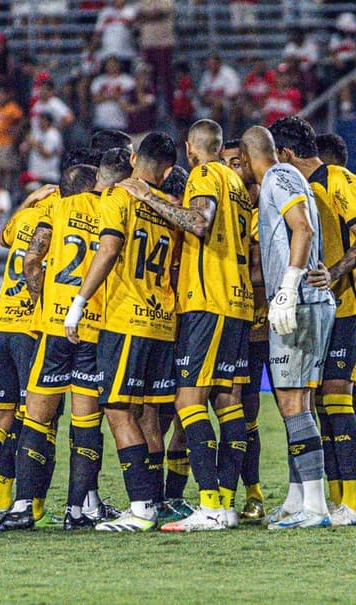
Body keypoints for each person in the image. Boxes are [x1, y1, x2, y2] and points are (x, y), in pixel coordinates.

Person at [116, 120, 254, 532]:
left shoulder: (206, 175)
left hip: (207, 300)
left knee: (188, 402)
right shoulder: (239, 185)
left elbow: (199, 222)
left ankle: (210, 504)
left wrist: (147, 196)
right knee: (229, 402)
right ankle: (226, 503)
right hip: (239, 303)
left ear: (192, 150)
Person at [0, 151, 132, 532]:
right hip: (92, 327)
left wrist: (43, 298)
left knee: (37, 419)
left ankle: (24, 505)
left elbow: (30, 261)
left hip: (55, 327)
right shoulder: (110, 209)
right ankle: (78, 510)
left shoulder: (55, 210)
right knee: (86, 423)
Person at [65, 132, 179, 533]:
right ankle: (157, 501)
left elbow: (109, 248)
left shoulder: (120, 197)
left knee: (116, 409)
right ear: (166, 170)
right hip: (163, 321)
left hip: (126, 318)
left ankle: (141, 508)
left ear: (133, 160)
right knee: (149, 414)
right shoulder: (169, 205)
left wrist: (78, 304)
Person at [270, 117, 356, 527]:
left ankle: (351, 503)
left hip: (348, 305)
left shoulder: (338, 180)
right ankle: (314, 497)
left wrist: (332, 273)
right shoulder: (304, 188)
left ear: (286, 155)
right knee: (307, 403)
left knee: (336, 397)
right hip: (319, 309)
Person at [238, 125, 335, 529]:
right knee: (295, 403)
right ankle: (298, 500)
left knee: (294, 403)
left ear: (246, 158)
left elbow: (303, 228)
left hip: (298, 302)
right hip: (306, 299)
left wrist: (288, 288)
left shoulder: (278, 177)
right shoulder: (287, 179)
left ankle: (315, 505)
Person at [0, 183, 59, 530]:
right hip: (32, 328)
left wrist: (28, 199)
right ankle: (33, 508)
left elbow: (5, 239)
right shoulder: (61, 218)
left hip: (0, 323)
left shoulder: (27, 216)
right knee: (37, 421)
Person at [222, 137, 267, 520]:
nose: (230, 171)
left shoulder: (271, 205)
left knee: (299, 410)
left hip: (277, 321)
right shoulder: (221, 211)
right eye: (225, 164)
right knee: (240, 410)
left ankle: (314, 493)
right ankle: (248, 493)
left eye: (236, 162)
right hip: (243, 325)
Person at [136, 0, 175, 112]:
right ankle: (151, 110)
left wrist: (147, 15)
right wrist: (150, 15)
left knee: (166, 78)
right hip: (148, 44)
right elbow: (139, 16)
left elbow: (159, 13)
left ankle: (170, 109)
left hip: (163, 44)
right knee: (149, 79)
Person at [0, 87, 24, 191]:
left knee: (7, 170)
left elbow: (21, 122)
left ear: (7, 95)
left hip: (8, 142)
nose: (0, 97)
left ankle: (7, 190)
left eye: (2, 94)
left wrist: (14, 133)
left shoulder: (12, 108)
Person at [90, 57, 136, 132]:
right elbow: (95, 99)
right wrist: (113, 97)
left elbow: (130, 96)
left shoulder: (128, 80)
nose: (112, 66)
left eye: (114, 63)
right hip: (100, 123)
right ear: (105, 66)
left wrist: (105, 96)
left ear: (119, 65)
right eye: (109, 64)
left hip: (120, 122)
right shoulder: (98, 80)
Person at [93, 0, 137, 66]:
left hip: (126, 52)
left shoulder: (131, 11)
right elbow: (98, 32)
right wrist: (92, 49)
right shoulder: (105, 12)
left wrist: (125, 21)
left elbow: (135, 29)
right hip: (107, 52)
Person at [197, 54, 241, 124]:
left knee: (218, 106)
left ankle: (218, 133)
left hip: (228, 103)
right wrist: (211, 100)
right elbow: (202, 94)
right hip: (210, 104)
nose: (212, 66)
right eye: (210, 64)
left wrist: (219, 100)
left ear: (219, 64)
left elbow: (234, 94)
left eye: (214, 64)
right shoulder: (206, 75)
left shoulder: (229, 73)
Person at [22, 112, 63, 185]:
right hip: (35, 172)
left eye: (42, 120)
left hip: (48, 175)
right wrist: (27, 144)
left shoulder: (53, 135)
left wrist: (36, 143)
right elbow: (23, 150)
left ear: (48, 122)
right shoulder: (37, 133)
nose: (40, 122)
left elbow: (47, 153)